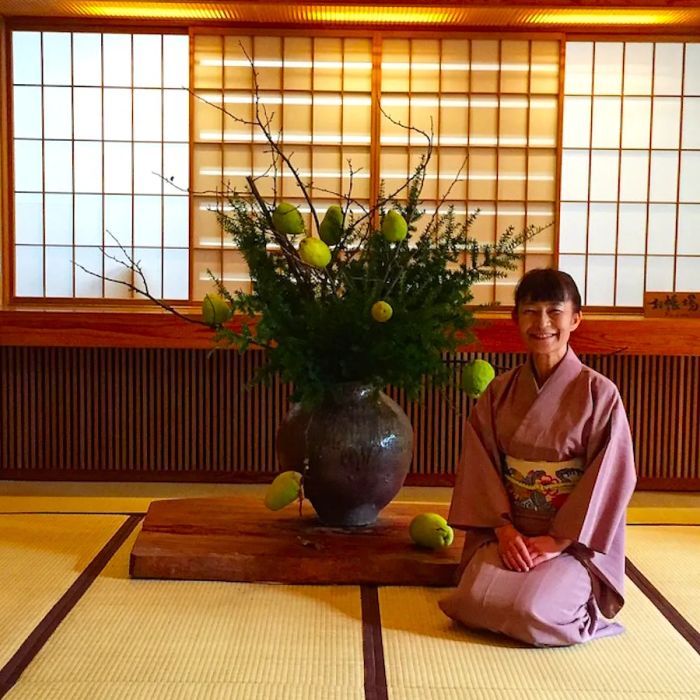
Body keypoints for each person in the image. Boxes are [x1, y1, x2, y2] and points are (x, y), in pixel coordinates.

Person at [439, 268, 637, 647]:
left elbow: (610, 475)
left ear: (575, 319)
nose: (542, 323)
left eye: (554, 311)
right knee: (469, 602)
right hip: (510, 531)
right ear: (515, 319)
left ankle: (583, 608)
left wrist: (559, 540)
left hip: (574, 541)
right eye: (530, 311)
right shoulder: (499, 391)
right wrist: (504, 530)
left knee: (531, 611)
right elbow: (480, 466)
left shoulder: (600, 394)